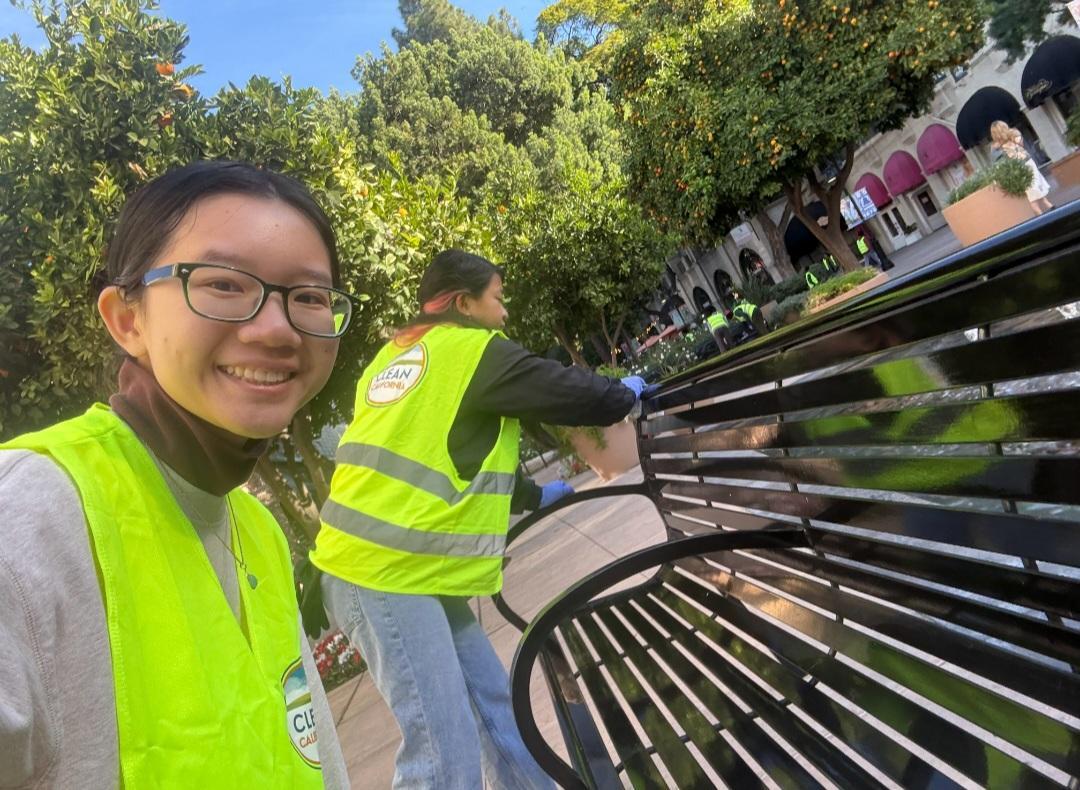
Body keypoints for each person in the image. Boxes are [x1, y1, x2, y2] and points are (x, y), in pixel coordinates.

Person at [0, 161, 351, 788]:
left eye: (309, 297)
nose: (277, 329)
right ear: (127, 320)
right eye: (222, 284)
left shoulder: (257, 530)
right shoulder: (30, 516)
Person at [310, 250, 644, 789]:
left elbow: (448, 457)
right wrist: (624, 393)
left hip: (399, 567)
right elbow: (565, 390)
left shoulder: (397, 356)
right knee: (443, 755)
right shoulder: (471, 352)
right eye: (497, 298)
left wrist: (533, 495)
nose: (505, 312)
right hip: (379, 571)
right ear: (464, 304)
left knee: (496, 714)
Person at [991, 120, 1053, 215]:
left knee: (1034, 186)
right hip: (1025, 163)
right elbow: (1021, 144)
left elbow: (998, 161)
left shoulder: (995, 147)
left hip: (1018, 168)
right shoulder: (1013, 134)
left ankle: (1047, 205)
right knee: (1032, 188)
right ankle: (1042, 212)